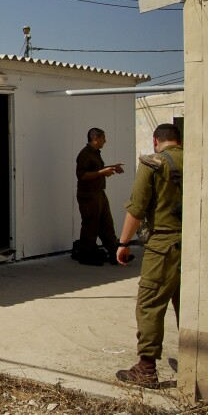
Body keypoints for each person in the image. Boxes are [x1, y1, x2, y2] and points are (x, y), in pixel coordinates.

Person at [115, 123, 183, 388]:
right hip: (194, 244)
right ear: (178, 140)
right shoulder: (198, 158)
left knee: (150, 304)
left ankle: (145, 369)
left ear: (156, 141)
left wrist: (123, 243)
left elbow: (137, 208)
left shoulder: (153, 163)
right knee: (191, 308)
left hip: (163, 246)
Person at [74, 127, 125, 266]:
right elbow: (82, 175)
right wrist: (102, 172)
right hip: (89, 195)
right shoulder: (85, 154)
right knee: (90, 225)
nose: (105, 141)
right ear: (95, 138)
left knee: (107, 224)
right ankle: (86, 256)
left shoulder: (95, 153)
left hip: (99, 193)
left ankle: (115, 253)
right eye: (103, 138)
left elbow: (96, 170)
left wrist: (112, 167)